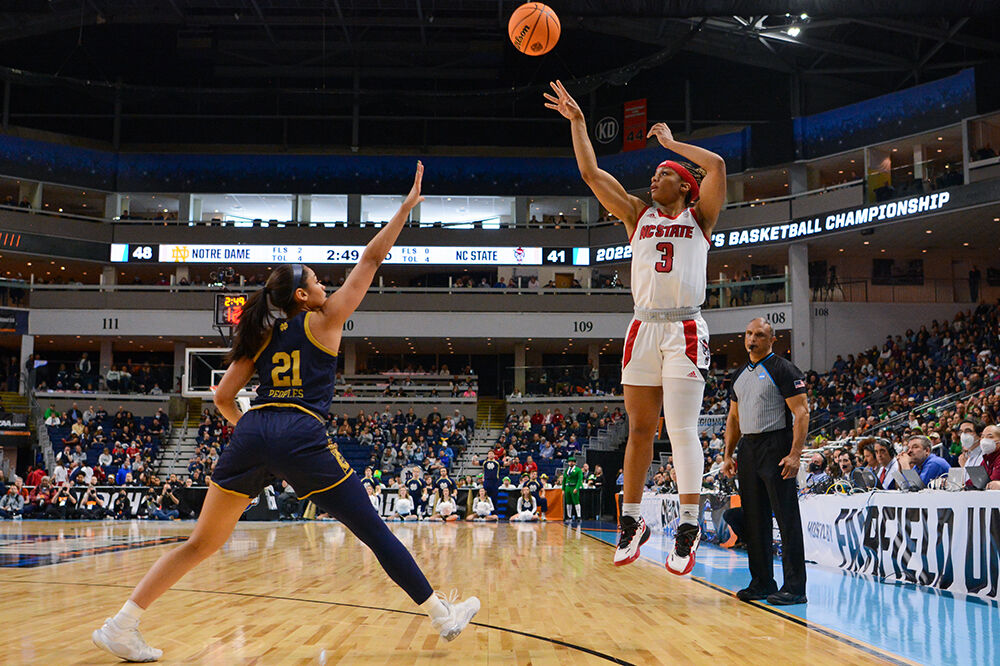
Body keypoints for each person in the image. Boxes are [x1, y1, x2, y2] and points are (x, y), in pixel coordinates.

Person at [92, 163, 479, 663]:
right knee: (373, 531)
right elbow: (372, 257)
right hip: (300, 430)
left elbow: (221, 399)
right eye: (317, 280)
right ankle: (441, 615)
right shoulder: (327, 319)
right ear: (303, 296)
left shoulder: (260, 336)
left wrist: (259, 441)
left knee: (199, 544)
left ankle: (121, 625)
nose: (324, 284)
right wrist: (405, 209)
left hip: (253, 431)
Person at [545, 80, 726, 573]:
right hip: (642, 327)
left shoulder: (701, 217)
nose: (652, 181)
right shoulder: (637, 215)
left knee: (683, 428)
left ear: (683, 184)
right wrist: (579, 124)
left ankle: (687, 526)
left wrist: (671, 147)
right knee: (640, 430)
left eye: (660, 175)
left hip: (685, 328)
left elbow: (717, 166)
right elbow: (590, 173)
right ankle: (632, 522)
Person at [720, 317, 810, 605]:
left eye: (759, 335)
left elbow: (802, 413)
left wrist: (795, 454)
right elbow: (733, 418)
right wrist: (728, 454)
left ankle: (795, 587)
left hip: (777, 444)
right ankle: (761, 581)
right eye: (748, 334)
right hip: (749, 447)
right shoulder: (739, 375)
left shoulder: (783, 369)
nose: (752, 339)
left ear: (772, 339)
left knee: (786, 518)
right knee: (754, 518)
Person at [562, 457, 583, 522]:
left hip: (574, 486)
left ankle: (579, 516)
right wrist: (563, 489)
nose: (570, 463)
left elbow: (580, 480)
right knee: (568, 502)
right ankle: (569, 516)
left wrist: (577, 488)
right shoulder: (566, 470)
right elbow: (564, 480)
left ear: (574, 463)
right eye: (569, 462)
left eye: (572, 461)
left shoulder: (578, 470)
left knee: (576, 502)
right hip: (567, 487)